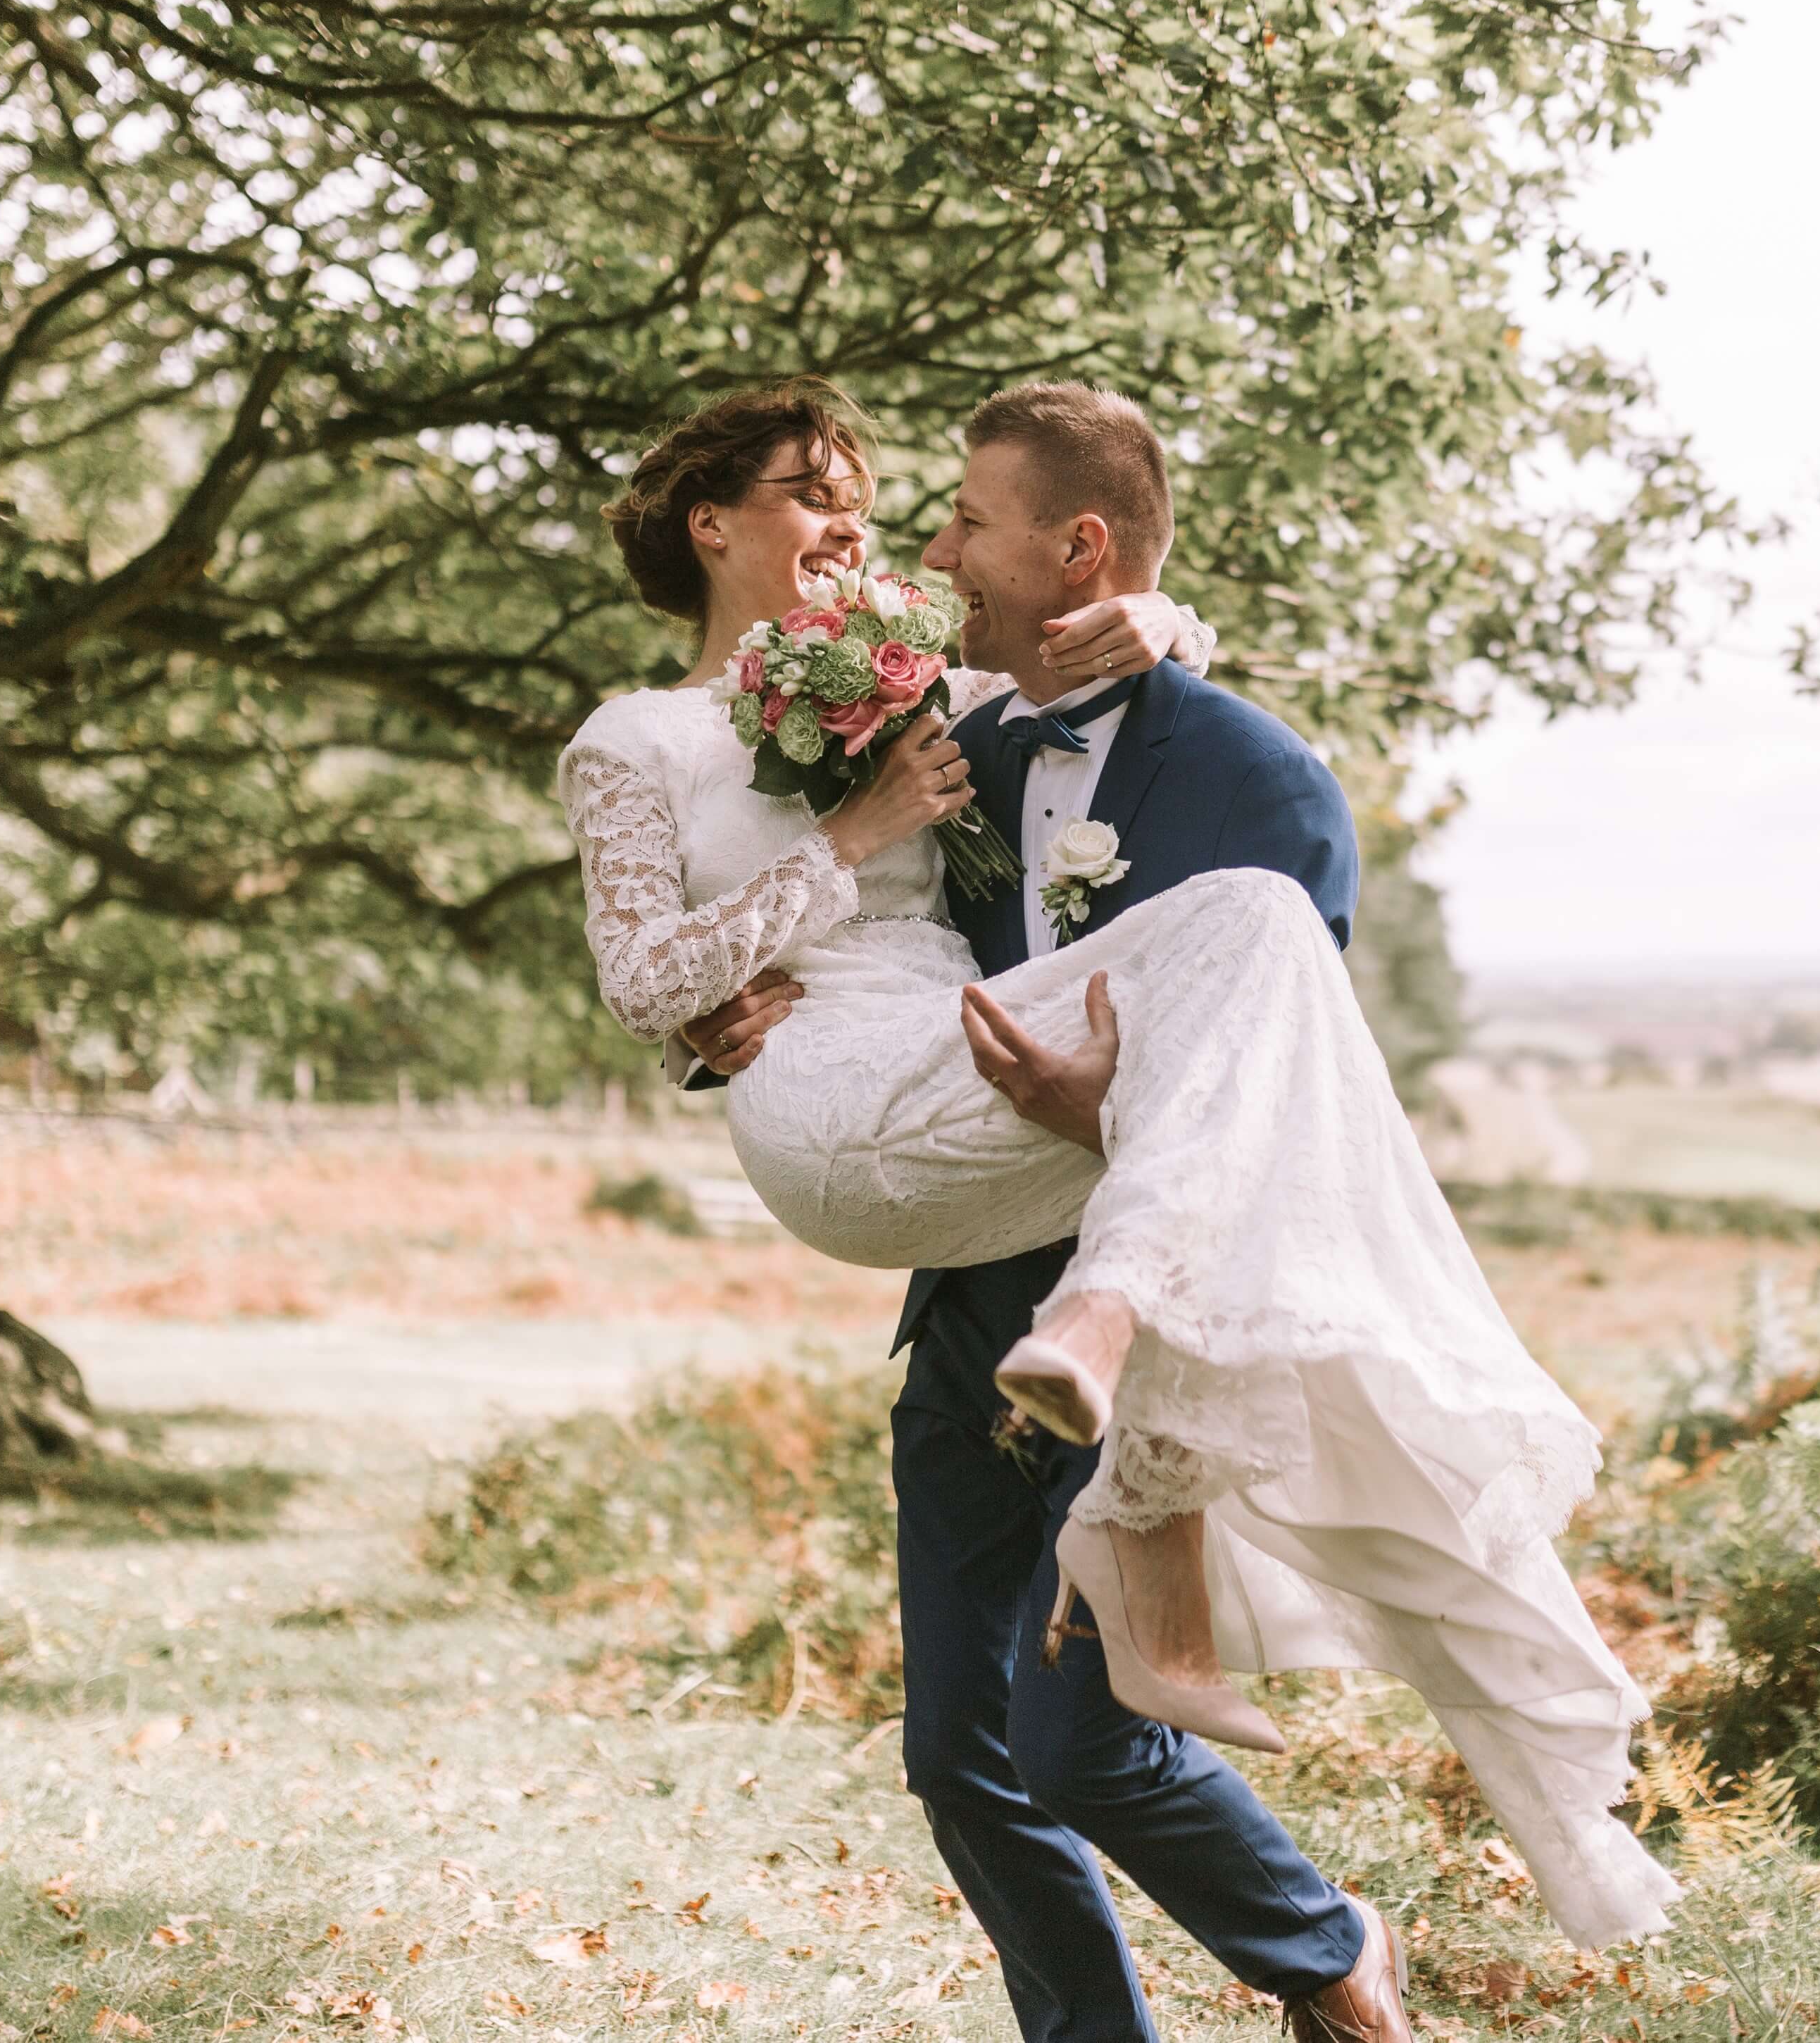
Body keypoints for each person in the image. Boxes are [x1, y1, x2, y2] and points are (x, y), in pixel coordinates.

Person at [556, 380, 1675, 2040]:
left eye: (885, 496)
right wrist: (739, 1001)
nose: (869, 527)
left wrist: (1161, 615)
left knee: (1061, 1745)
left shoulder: (927, 687)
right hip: (940, 1233)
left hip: (1084, 1241)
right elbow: (664, 971)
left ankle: (1319, 1948)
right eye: (815, 492)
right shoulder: (692, 734)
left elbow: (1107, 668)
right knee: (967, 1760)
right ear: (711, 522)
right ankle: (1277, 1969)